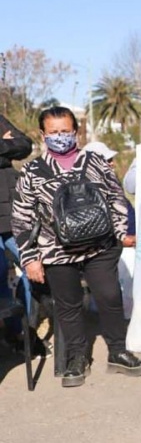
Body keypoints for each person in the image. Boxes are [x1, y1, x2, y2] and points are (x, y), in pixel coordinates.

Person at [11, 107, 141, 388]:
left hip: (101, 246)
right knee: (68, 305)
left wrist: (120, 234)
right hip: (56, 250)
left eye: (65, 131)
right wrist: (30, 258)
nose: (60, 137)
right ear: (43, 134)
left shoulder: (95, 161)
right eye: (53, 133)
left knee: (110, 296)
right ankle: (76, 358)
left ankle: (118, 351)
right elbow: (21, 218)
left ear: (75, 132)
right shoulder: (32, 171)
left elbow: (116, 198)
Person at [0, 114, 40, 354]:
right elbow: (13, 147)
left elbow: (24, 145)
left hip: (12, 210)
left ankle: (25, 330)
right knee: (0, 273)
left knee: (31, 265)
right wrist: (6, 147)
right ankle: (12, 331)